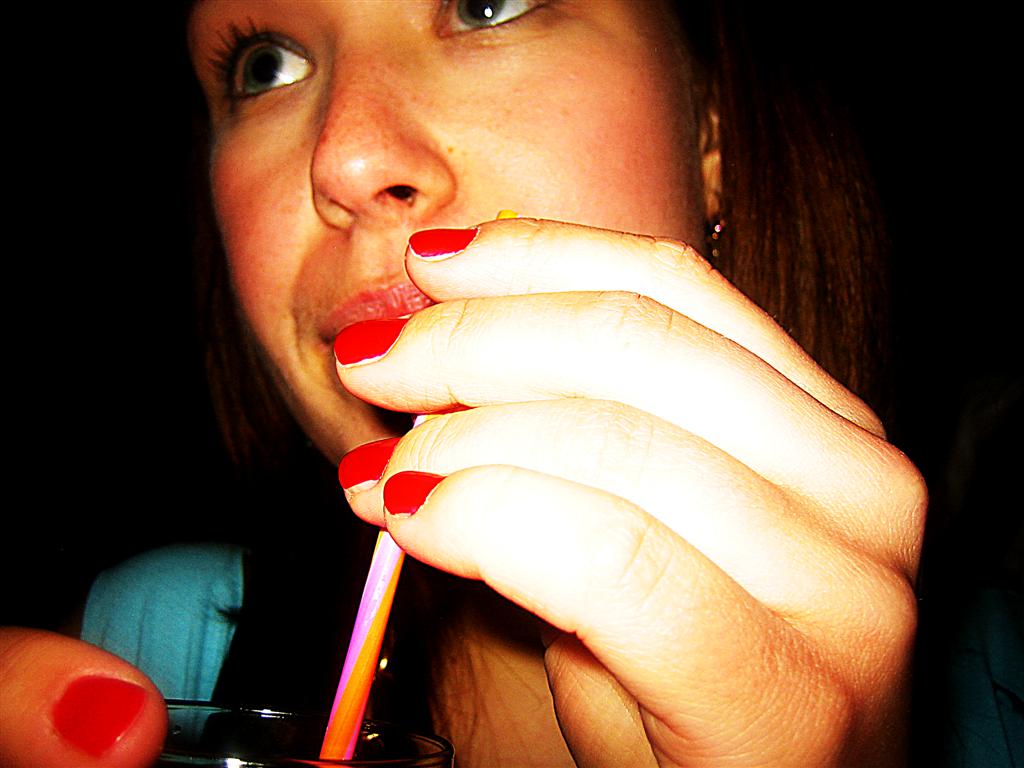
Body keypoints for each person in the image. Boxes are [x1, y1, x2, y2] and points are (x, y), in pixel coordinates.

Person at [0, 1, 929, 766]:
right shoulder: (141, 647)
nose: (347, 162)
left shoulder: (990, 698)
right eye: (266, 67)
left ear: (710, 138)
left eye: (487, 7)